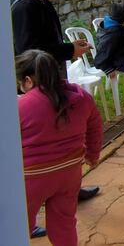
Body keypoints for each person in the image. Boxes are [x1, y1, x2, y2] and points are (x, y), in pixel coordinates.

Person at [9, 0, 99, 206]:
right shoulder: (23, 4)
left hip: (51, 79)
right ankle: (28, 207)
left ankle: (67, 186)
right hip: (38, 85)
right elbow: (29, 51)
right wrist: (69, 49)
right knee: (39, 141)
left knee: (60, 133)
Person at [17, 50, 102, 246]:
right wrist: (92, 154)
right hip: (70, 172)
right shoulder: (81, 97)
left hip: (31, 177)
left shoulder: (22, 107)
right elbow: (95, 126)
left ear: (28, 81)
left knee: (18, 222)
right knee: (64, 222)